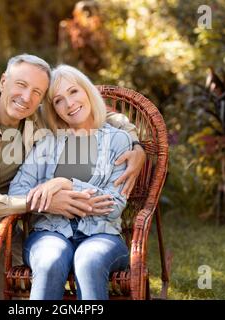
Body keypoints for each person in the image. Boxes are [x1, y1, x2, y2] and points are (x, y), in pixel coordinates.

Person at [0, 54, 146, 300]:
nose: (26, 97)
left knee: (17, 285)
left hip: (8, 227)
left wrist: (137, 147)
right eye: (20, 85)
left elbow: (95, 115)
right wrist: (40, 202)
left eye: (37, 92)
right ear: (3, 82)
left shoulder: (37, 117)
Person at [8, 64, 136, 300]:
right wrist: (50, 202)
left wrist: (64, 184)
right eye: (58, 100)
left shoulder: (118, 140)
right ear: (54, 109)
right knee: (49, 260)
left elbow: (114, 204)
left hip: (102, 235)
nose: (69, 103)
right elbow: (18, 191)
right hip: (49, 232)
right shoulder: (47, 143)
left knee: (88, 260)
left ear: (87, 92)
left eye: (73, 92)